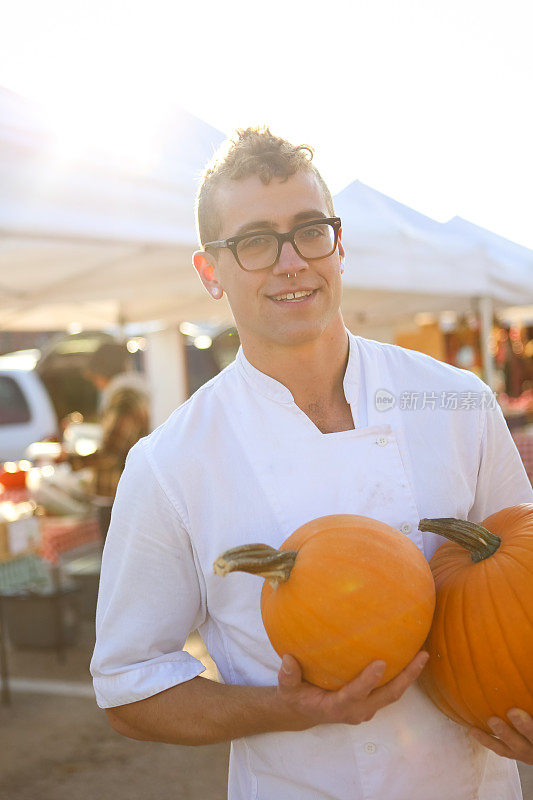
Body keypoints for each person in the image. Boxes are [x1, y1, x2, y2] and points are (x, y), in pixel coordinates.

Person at [91, 128, 533, 799]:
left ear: (339, 244)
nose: (291, 261)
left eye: (309, 230)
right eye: (255, 241)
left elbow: (519, 586)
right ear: (210, 272)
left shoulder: (454, 401)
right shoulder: (170, 464)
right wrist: (287, 709)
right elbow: (127, 686)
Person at [66, 342, 150, 539]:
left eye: (96, 376)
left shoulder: (123, 398)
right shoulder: (129, 395)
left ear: (103, 373)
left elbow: (111, 453)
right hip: (124, 491)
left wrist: (71, 461)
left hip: (117, 492)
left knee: (115, 559)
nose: (96, 383)